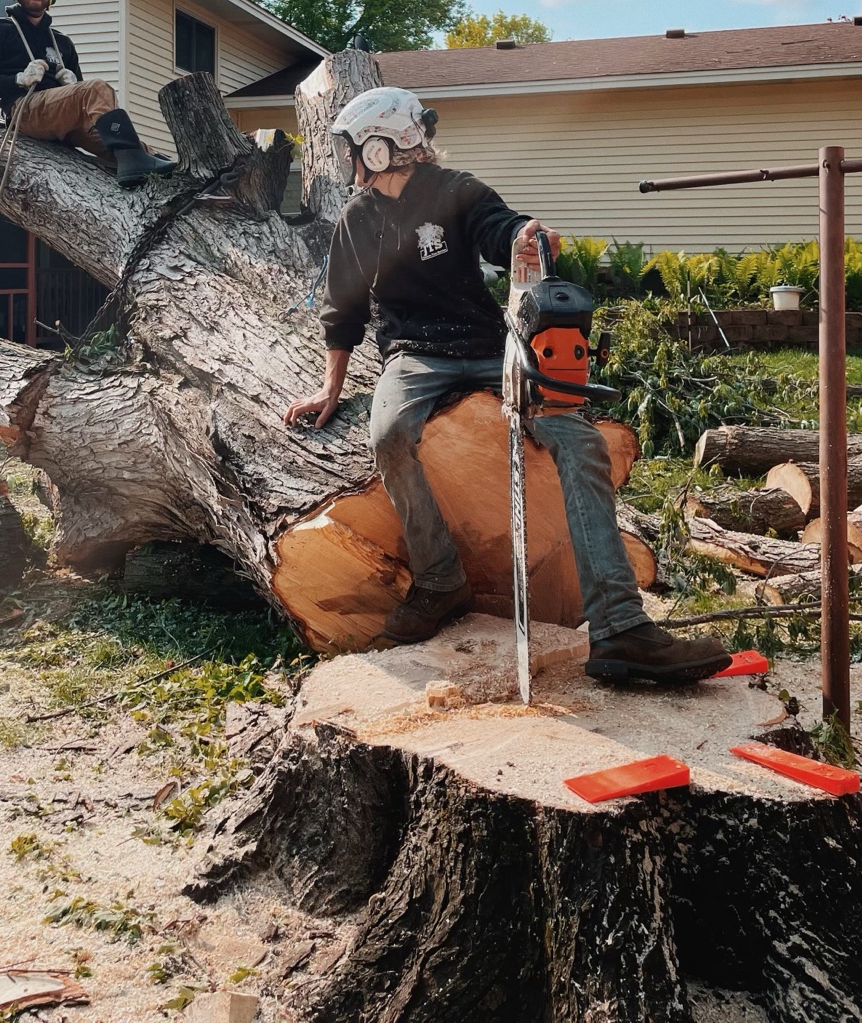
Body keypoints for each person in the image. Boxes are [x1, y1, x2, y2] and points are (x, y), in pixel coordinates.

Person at [285, 86, 731, 684]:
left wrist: (525, 236)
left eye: (352, 149)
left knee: (580, 440)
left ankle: (620, 627)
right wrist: (331, 388)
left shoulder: (456, 190)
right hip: (413, 356)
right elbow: (342, 310)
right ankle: (439, 579)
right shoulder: (358, 219)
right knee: (389, 433)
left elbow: (501, 229)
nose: (348, 161)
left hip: (488, 348)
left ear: (380, 146)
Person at [0, 0, 176, 188]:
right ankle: (135, 161)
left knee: (119, 146)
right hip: (23, 111)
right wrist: (18, 79)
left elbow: (88, 101)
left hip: (63, 120)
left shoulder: (61, 42)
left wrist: (71, 84)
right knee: (97, 88)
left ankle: (159, 166)